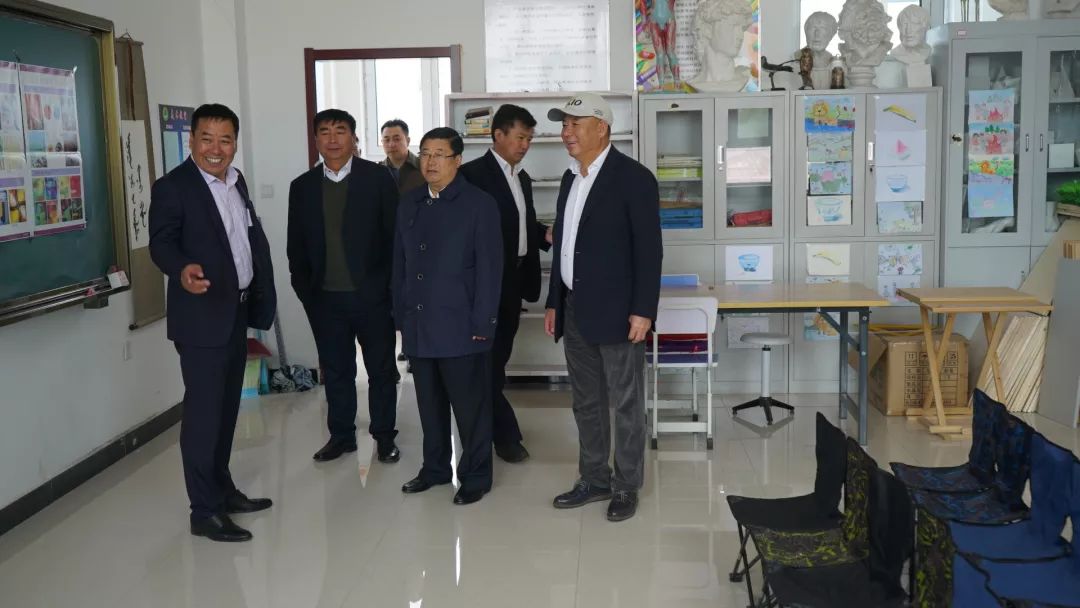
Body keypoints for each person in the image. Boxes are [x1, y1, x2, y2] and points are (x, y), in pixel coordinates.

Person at [149, 103, 277, 542]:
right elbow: (161, 243)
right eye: (207, 139)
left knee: (225, 412)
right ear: (191, 140)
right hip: (201, 317)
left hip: (234, 311)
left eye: (225, 140)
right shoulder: (174, 187)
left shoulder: (236, 182)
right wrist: (181, 268)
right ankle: (203, 511)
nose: (216, 149)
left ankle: (222, 491)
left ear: (235, 144)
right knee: (204, 416)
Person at [543, 93, 662, 522]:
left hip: (619, 312)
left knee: (626, 403)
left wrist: (643, 310)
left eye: (575, 124)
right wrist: (554, 301)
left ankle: (626, 484)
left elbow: (648, 250)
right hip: (574, 307)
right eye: (564, 125)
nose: (566, 132)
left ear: (602, 128)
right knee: (585, 402)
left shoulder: (634, 178)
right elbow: (565, 247)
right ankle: (594, 478)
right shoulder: (570, 179)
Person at [394, 127, 503, 506]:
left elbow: (490, 270)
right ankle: (435, 468)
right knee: (429, 405)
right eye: (425, 154)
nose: (430, 162)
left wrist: (484, 323)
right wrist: (400, 315)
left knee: (470, 409)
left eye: (439, 155)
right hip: (420, 323)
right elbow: (400, 264)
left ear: (457, 160)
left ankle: (476, 475)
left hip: (462, 325)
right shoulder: (410, 202)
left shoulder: (478, 204)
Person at [286, 109, 401, 464]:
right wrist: (307, 294)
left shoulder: (378, 179)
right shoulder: (302, 186)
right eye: (325, 132)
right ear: (316, 140)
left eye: (340, 131)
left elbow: (395, 238)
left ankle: (384, 436)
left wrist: (388, 290)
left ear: (353, 138)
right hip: (325, 299)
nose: (332, 139)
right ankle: (341, 436)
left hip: (372, 297)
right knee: (337, 371)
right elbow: (296, 247)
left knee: (381, 370)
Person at [459, 104, 551, 464]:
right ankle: (504, 435)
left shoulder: (520, 177)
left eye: (529, 139)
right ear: (498, 135)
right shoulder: (472, 175)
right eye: (520, 137)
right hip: (484, 285)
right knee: (486, 364)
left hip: (514, 280)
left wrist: (546, 234)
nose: (525, 145)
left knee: (497, 362)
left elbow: (520, 223)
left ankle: (486, 430)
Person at [379, 119, 424, 367]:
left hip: (417, 243)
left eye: (396, 138)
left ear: (408, 139)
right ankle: (390, 360)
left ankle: (413, 350)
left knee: (414, 298)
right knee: (387, 301)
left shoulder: (422, 168)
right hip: (386, 245)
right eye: (386, 139)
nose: (391, 143)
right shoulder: (376, 172)